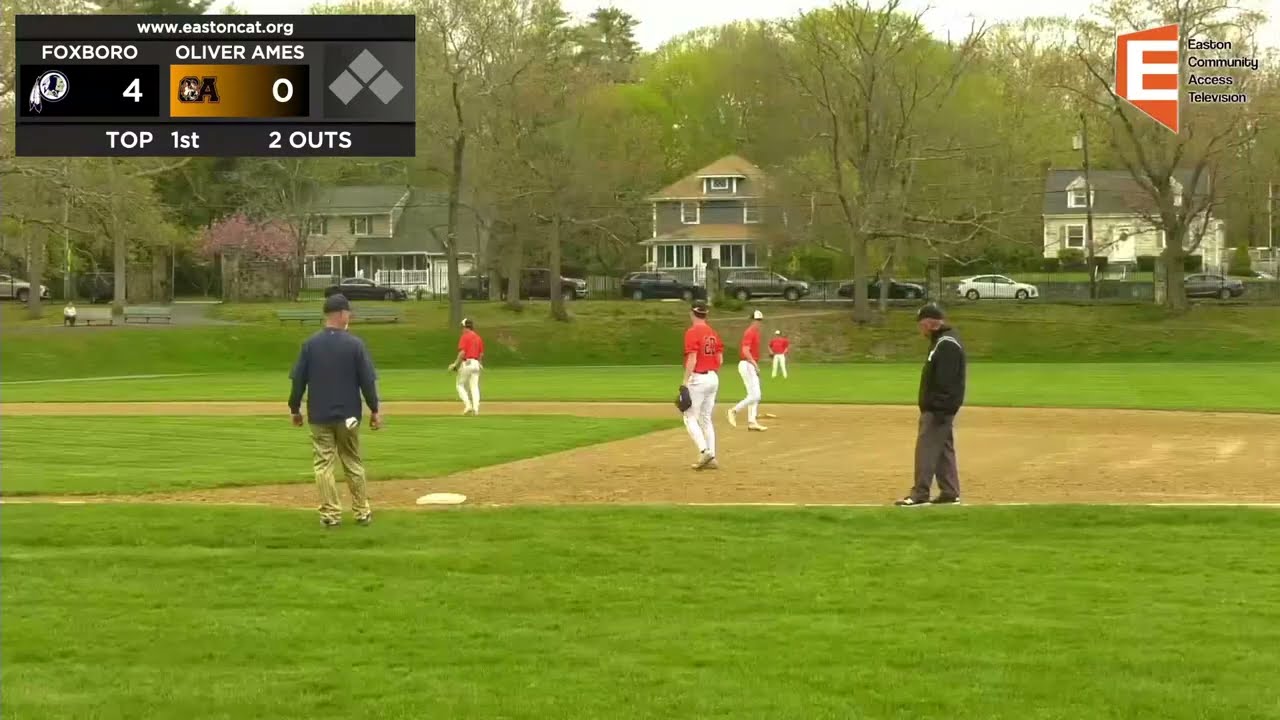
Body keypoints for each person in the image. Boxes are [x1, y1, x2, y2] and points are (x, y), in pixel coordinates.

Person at [288, 294, 382, 527]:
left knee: (323, 464)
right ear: (341, 314)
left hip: (319, 415)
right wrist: (374, 409)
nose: (349, 316)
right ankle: (361, 511)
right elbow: (367, 382)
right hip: (349, 416)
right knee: (352, 460)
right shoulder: (355, 345)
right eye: (348, 312)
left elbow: (298, 380)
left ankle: (330, 514)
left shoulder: (310, 345)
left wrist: (295, 408)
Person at [896, 304, 966, 507]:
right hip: (940, 408)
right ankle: (950, 492)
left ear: (929, 323)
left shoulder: (947, 343)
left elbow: (946, 381)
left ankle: (920, 493)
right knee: (943, 449)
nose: (921, 330)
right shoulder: (942, 341)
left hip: (938, 410)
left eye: (921, 325)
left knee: (926, 450)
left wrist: (937, 407)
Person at [682, 301, 723, 470]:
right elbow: (720, 359)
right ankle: (711, 457)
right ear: (706, 314)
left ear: (692, 313)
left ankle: (704, 451)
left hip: (698, 378)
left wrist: (685, 382)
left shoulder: (692, 332)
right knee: (706, 418)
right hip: (713, 377)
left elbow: (692, 358)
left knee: (689, 416)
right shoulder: (713, 333)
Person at [727, 309, 767, 431]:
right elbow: (745, 350)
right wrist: (754, 364)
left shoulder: (756, 332)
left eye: (760, 320)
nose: (758, 322)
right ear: (752, 320)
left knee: (755, 395)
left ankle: (752, 421)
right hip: (747, 364)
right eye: (756, 320)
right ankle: (734, 410)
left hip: (749, 364)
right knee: (756, 395)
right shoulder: (750, 332)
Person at [449, 318, 484, 415]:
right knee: (474, 387)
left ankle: (468, 405)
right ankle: (476, 409)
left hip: (467, 363)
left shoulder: (465, 336)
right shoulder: (478, 337)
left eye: (462, 327)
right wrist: (480, 363)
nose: (462, 329)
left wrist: (455, 364)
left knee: (459, 385)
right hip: (476, 364)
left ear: (465, 327)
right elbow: (481, 354)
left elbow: (462, 352)